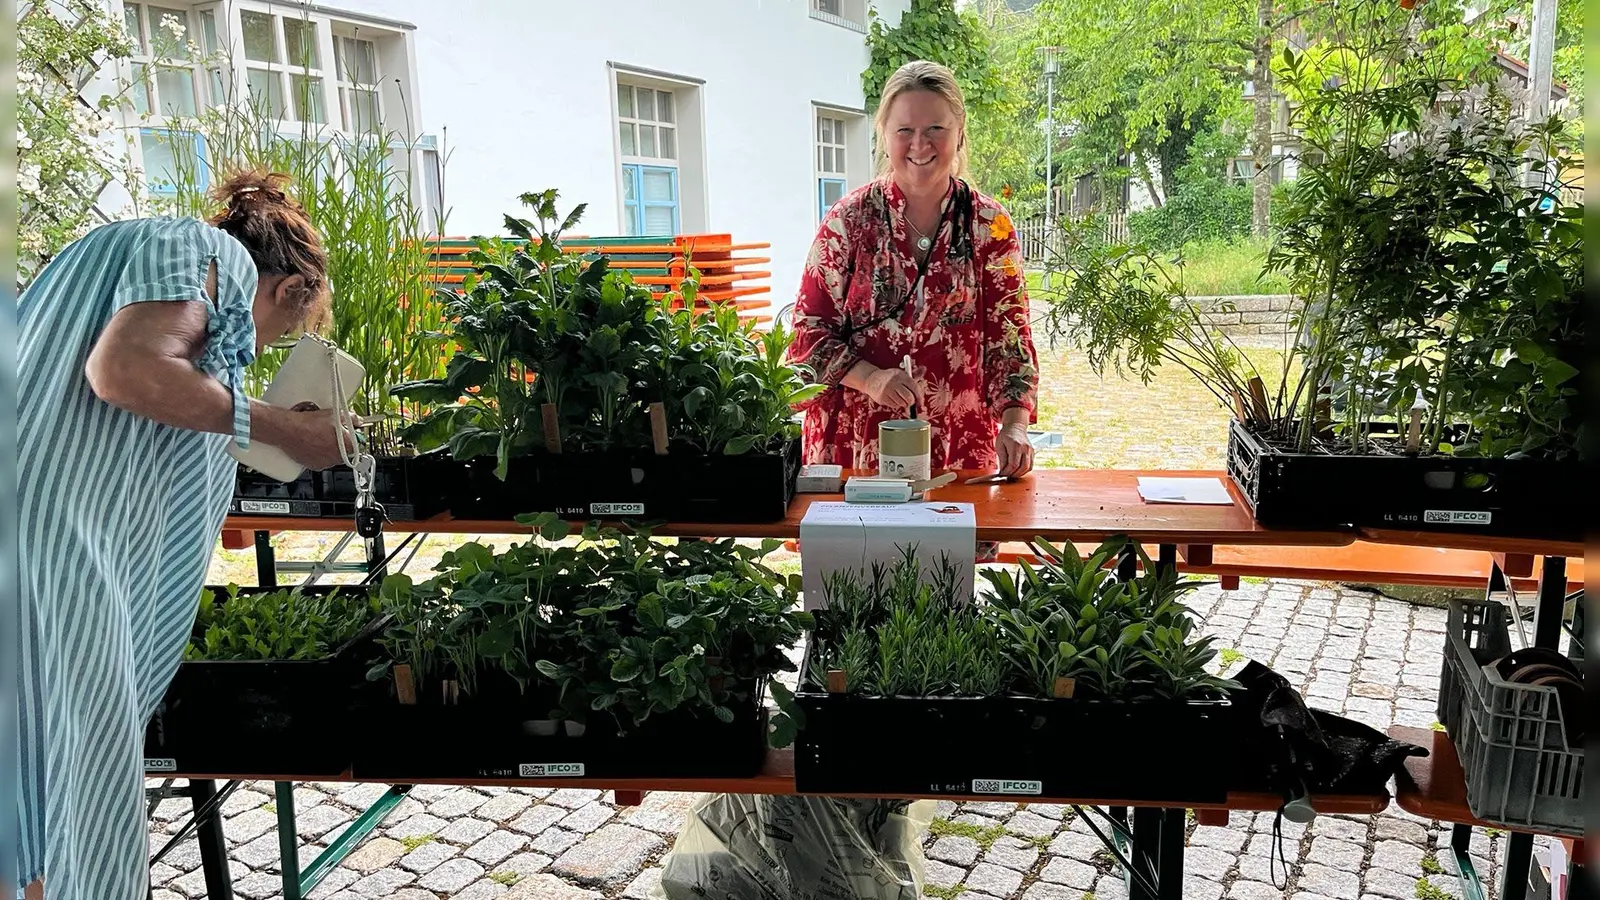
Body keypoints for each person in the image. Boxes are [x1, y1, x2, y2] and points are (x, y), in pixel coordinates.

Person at [15, 171, 358, 900]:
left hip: (32, 549)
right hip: (59, 555)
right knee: (84, 774)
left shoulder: (105, 258)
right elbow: (127, 370)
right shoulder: (202, 249)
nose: (255, 350)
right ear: (289, 289)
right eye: (279, 334)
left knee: (32, 777)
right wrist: (282, 427)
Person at [787, 59, 1040, 480]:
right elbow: (808, 334)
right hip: (853, 447)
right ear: (885, 137)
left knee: (954, 529)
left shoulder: (989, 225)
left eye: (935, 128)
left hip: (958, 450)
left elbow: (1010, 339)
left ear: (959, 133)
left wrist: (1015, 425)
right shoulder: (848, 221)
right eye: (905, 130)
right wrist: (870, 379)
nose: (920, 145)